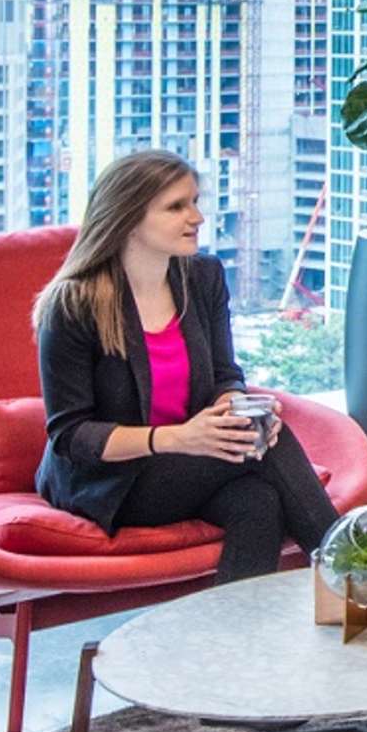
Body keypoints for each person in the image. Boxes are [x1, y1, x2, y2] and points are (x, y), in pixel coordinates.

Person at [34, 150, 339, 580]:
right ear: (128, 218)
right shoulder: (73, 305)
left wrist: (237, 410)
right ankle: (352, 570)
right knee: (272, 446)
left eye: (195, 202)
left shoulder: (202, 278)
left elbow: (224, 375)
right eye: (177, 207)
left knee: (257, 501)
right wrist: (177, 438)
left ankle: (229, 645)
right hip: (113, 482)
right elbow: (71, 436)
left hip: (191, 461)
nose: (196, 217)